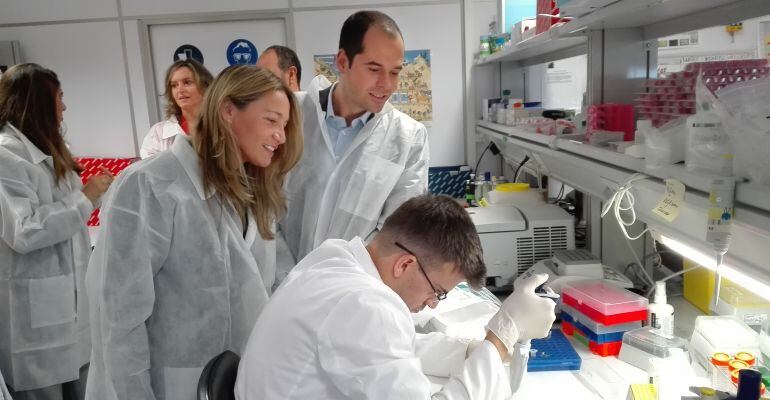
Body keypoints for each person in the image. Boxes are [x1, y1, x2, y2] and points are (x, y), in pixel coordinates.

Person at [85, 65, 303, 400]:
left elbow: (270, 285)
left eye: (285, 125)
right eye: (272, 120)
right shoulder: (151, 185)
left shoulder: (254, 193)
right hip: (170, 385)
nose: (281, 136)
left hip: (237, 379)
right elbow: (120, 319)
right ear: (228, 110)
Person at [235, 194, 556, 400]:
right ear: (405, 264)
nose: (433, 303)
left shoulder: (335, 259)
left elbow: (393, 345)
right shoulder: (365, 305)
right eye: (438, 291)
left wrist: (471, 351)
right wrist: (501, 335)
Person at [277, 11, 429, 281]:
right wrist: (287, 278)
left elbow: (397, 234)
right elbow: (264, 206)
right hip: (278, 285)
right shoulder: (291, 116)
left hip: (352, 290)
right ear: (343, 61)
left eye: (395, 72)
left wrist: (343, 284)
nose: (387, 85)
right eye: (374, 69)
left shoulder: (408, 138)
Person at [0, 63, 113, 400]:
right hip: (33, 318)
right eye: (59, 97)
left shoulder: (48, 150)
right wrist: (86, 198)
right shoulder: (7, 155)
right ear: (35, 103)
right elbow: (24, 231)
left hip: (71, 310)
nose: (64, 106)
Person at [139, 59, 214, 159]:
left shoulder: (224, 126)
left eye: (187, 82)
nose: (180, 90)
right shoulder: (158, 133)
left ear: (205, 86)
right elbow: (150, 172)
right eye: (174, 85)